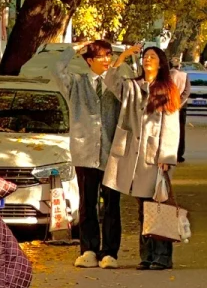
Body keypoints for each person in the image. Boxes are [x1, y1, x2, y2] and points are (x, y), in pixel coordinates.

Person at [104, 44, 181, 270]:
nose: (147, 59)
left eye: (152, 56)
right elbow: (111, 80)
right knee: (143, 207)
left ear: (161, 62)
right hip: (134, 156)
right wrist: (124, 56)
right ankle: (146, 255)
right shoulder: (133, 87)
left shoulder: (167, 88)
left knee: (158, 205)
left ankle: (162, 256)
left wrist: (166, 156)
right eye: (145, 56)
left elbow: (171, 125)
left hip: (155, 156)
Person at [52, 39, 125, 269]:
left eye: (109, 55)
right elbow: (57, 70)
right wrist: (72, 49)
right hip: (85, 151)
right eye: (101, 56)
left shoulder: (116, 82)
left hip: (113, 151)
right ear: (89, 60)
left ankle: (110, 252)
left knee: (112, 204)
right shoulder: (77, 82)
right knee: (87, 203)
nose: (107, 60)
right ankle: (88, 250)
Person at [171, 60, 191, 163]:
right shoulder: (184, 75)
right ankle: (179, 154)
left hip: (168, 106)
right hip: (181, 107)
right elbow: (187, 91)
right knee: (180, 130)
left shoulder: (167, 75)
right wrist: (179, 103)